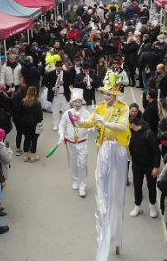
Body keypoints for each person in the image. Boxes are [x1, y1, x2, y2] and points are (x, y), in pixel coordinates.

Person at [79, 76, 131, 260]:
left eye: (109, 93)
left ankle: (116, 238)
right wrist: (79, 121)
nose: (106, 96)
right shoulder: (100, 107)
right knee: (102, 190)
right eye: (105, 93)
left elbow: (123, 125)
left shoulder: (123, 108)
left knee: (118, 194)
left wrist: (106, 122)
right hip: (104, 147)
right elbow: (91, 122)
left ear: (116, 94)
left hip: (119, 148)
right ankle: (103, 225)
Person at [57, 89, 92, 197]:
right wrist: (61, 135)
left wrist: (89, 129)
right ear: (72, 102)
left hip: (82, 142)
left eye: (79, 102)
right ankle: (75, 180)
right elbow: (61, 126)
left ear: (82, 102)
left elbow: (91, 125)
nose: (77, 104)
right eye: (75, 102)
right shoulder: (67, 113)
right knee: (73, 162)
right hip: (71, 143)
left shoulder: (86, 113)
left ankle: (82, 186)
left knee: (82, 163)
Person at [128, 116, 160, 218]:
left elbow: (156, 152)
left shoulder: (149, 134)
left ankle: (152, 205)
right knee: (137, 185)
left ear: (132, 124)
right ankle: (138, 205)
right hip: (137, 165)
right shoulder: (131, 133)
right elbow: (131, 148)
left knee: (151, 186)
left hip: (149, 165)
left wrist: (156, 167)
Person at [45, 61, 73, 131]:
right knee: (55, 111)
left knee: (66, 110)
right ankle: (56, 124)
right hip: (55, 95)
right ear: (56, 66)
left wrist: (64, 82)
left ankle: (65, 124)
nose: (60, 68)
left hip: (64, 95)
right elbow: (45, 82)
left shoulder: (66, 73)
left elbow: (71, 81)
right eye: (58, 66)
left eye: (61, 66)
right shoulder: (51, 74)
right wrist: (51, 88)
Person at [20, 86, 43, 162]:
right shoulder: (37, 102)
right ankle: (33, 155)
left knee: (27, 138)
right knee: (34, 139)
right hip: (34, 123)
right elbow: (40, 114)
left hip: (24, 122)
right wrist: (39, 121)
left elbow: (20, 112)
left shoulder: (23, 101)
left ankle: (26, 155)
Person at [10, 84, 28, 156]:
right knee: (27, 133)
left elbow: (11, 106)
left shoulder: (14, 96)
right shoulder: (28, 98)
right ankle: (27, 147)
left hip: (16, 117)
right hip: (26, 118)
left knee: (19, 133)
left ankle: (18, 149)